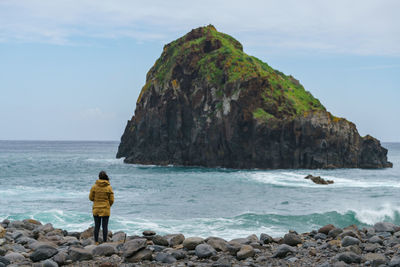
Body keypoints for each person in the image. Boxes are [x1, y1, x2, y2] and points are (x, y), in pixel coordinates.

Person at [89, 170, 114, 244]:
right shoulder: (109, 187)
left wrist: (96, 201)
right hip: (105, 209)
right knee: (105, 227)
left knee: (97, 226)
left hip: (96, 209)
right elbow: (112, 199)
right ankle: (104, 242)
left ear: (99, 177)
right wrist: (108, 205)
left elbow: (90, 198)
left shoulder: (94, 187)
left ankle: (96, 242)